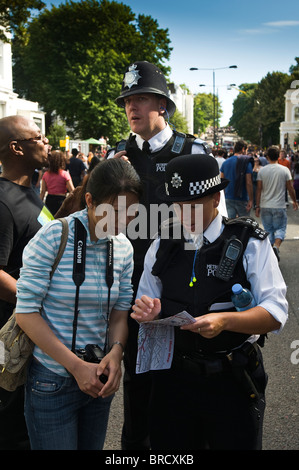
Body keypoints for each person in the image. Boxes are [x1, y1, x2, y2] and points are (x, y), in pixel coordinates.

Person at [131, 153, 288, 450]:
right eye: (178, 206)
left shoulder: (248, 241)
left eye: (193, 206)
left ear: (216, 199)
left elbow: (275, 312)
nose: (184, 214)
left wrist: (225, 321)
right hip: (173, 382)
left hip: (231, 379)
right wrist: (148, 310)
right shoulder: (162, 243)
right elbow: (145, 299)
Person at [109, 60, 227, 450]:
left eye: (141, 98)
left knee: (183, 382)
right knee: (137, 382)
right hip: (130, 288)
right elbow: (102, 225)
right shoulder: (116, 155)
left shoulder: (192, 150)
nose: (132, 107)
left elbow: (217, 223)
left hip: (183, 285)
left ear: (163, 105)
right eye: (127, 100)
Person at [15, 158, 142, 450]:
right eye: (114, 211)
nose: (122, 221)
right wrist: (75, 366)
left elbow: (119, 314)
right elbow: (26, 313)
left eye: (130, 212)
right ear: (89, 200)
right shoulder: (54, 236)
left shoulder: (123, 247)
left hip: (99, 379)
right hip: (52, 380)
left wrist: (116, 354)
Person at [0, 114, 53, 450]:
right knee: (11, 428)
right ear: (17, 148)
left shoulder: (30, 192)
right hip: (9, 336)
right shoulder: (4, 203)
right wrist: (34, 298)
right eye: (38, 137)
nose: (46, 140)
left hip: (31, 330)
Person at [255, 146, 298, 261]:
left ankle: (271, 255)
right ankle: (276, 246)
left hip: (265, 205)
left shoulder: (262, 171)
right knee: (281, 229)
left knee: (268, 230)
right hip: (279, 205)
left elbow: (259, 189)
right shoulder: (284, 170)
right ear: (279, 156)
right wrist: (294, 201)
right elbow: (290, 188)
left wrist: (257, 205)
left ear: (267, 157)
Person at [220, 140, 253, 218]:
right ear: (243, 149)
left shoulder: (225, 162)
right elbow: (249, 182)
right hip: (242, 197)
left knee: (230, 223)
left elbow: (221, 181)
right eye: (247, 150)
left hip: (228, 197)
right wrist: (251, 199)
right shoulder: (246, 162)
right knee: (244, 224)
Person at [40, 150, 75, 215]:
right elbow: (72, 191)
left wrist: (39, 205)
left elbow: (43, 192)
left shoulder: (45, 174)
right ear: (62, 161)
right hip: (61, 201)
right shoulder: (65, 174)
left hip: (49, 200)